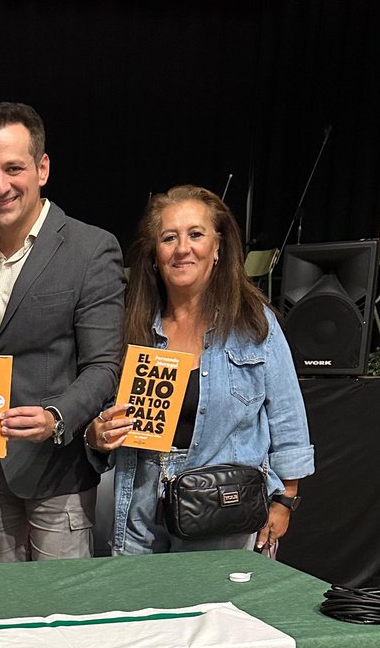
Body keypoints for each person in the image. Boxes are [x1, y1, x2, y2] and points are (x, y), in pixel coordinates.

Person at [85, 184, 314, 554]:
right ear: (154, 255)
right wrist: (97, 436)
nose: (182, 248)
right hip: (143, 519)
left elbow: (289, 421)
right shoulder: (132, 330)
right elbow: (105, 422)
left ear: (218, 248)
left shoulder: (256, 326)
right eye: (169, 237)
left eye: (195, 234)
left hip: (228, 517)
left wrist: (285, 500)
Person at [0, 102, 124, 561]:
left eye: (13, 168)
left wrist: (56, 416)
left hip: (56, 473)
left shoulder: (91, 248)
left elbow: (104, 363)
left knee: (59, 618)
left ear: (42, 168)